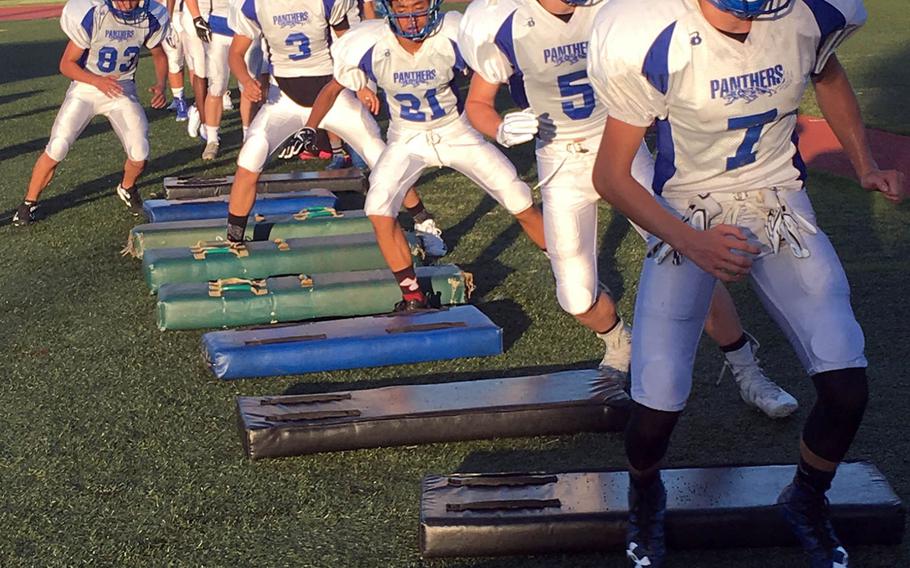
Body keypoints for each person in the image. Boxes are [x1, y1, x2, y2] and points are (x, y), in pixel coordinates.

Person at [588, 0, 905, 565]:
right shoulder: (649, 34)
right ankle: (644, 498)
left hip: (780, 201)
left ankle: (806, 498)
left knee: (846, 383)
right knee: (656, 403)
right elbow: (611, 174)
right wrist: (693, 241)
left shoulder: (810, 15)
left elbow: (827, 72)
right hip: (692, 211)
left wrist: (863, 163)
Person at [459, 0, 799, 401]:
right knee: (574, 296)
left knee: (690, 257)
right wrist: (498, 127)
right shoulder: (504, 20)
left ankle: (747, 369)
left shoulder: (615, 9)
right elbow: (477, 105)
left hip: (621, 149)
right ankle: (619, 341)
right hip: (559, 161)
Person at [298, 0, 548, 313]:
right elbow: (333, 88)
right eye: (403, 8)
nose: (412, 17)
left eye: (419, 6)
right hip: (407, 138)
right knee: (378, 208)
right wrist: (310, 127)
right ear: (389, 9)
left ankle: (561, 262)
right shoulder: (367, 44)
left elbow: (504, 66)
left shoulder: (453, 33)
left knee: (519, 198)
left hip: (458, 132)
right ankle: (413, 294)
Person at [223, 0, 444, 255]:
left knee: (380, 156)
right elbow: (235, 53)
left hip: (333, 94)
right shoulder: (256, 5)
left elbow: (347, 43)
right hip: (283, 97)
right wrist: (245, 79)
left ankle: (424, 222)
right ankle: (234, 237)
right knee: (252, 154)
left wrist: (360, 85)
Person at [13, 0, 169, 226]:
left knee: (140, 151)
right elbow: (67, 64)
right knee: (57, 146)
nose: (126, 4)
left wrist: (161, 84)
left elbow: (159, 53)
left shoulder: (151, 17)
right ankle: (28, 203)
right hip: (86, 88)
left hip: (121, 89)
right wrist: (97, 81)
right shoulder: (93, 15)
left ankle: (126, 187)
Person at [184, 0, 235, 159]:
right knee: (211, 80)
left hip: (242, 19)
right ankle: (210, 135)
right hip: (210, 18)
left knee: (251, 83)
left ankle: (249, 134)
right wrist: (196, 17)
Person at [162, 0, 189, 120]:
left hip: (191, 13)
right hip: (170, 16)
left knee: (196, 63)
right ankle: (180, 101)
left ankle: (200, 103)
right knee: (174, 62)